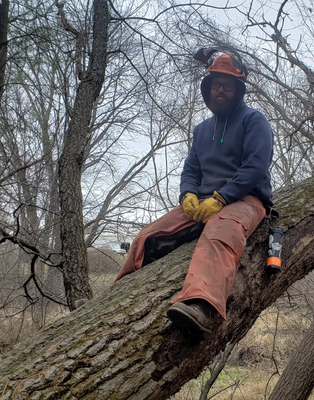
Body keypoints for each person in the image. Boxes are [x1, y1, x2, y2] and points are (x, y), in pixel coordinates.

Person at [113, 51, 274, 336]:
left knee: (221, 233)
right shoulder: (201, 130)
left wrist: (222, 198)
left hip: (246, 198)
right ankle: (110, 298)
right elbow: (191, 170)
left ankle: (200, 305)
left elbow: (255, 166)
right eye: (215, 84)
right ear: (207, 89)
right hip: (201, 200)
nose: (220, 90)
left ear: (238, 89)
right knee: (146, 237)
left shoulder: (254, 121)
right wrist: (187, 194)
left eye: (227, 85)